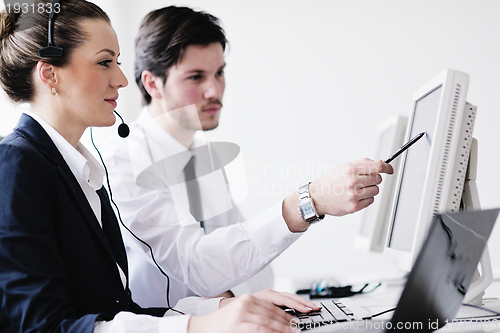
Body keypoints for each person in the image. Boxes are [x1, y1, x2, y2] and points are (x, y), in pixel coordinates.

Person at [0, 1, 321, 332]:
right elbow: (42, 326)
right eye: (105, 62)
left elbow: (118, 310)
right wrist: (200, 325)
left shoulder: (83, 170)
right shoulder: (17, 164)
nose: (123, 80)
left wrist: (223, 307)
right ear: (50, 74)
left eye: (118, 62)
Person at [103, 5, 394, 309]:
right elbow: (199, 268)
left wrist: (228, 303)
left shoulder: (204, 159)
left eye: (219, 73)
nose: (214, 90)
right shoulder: (125, 161)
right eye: (195, 77)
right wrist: (309, 201)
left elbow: (259, 273)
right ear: (152, 83)